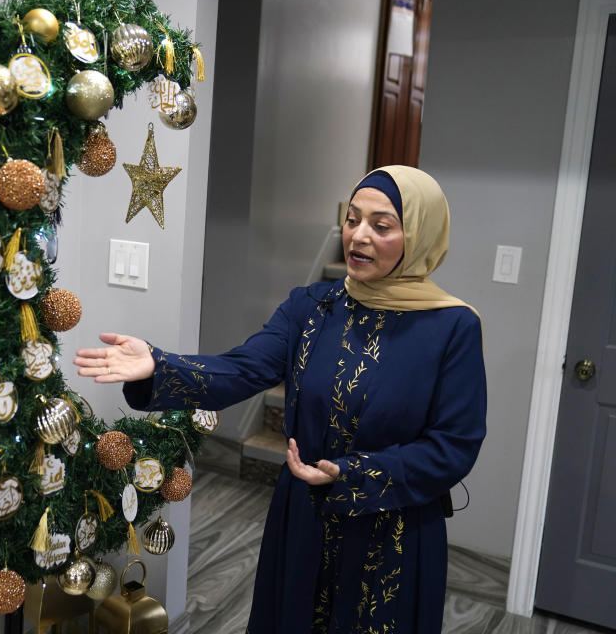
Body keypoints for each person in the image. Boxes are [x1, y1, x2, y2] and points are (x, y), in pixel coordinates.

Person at [74, 165, 486, 634]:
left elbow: (454, 446)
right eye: (352, 219)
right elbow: (245, 368)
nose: (359, 236)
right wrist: (160, 365)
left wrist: (350, 473)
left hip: (391, 530)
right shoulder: (312, 307)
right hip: (305, 518)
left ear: (420, 235)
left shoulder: (452, 327)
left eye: (382, 225)